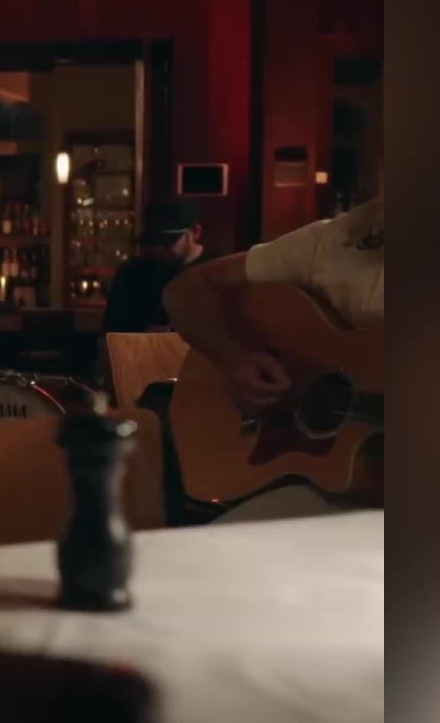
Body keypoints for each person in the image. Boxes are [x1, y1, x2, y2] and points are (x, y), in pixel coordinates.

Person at [163, 196, 384, 521]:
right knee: (214, 547)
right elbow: (186, 289)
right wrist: (234, 359)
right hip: (318, 495)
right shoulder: (336, 239)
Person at [105, 199, 215, 334]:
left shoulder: (219, 273)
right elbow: (111, 332)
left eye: (167, 242)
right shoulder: (131, 273)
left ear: (196, 232)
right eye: (153, 241)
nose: (158, 249)